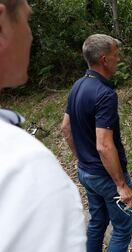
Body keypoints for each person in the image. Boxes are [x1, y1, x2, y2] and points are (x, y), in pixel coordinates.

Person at [0, 1, 86, 251]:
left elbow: (65, 125)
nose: (30, 35)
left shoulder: (77, 87)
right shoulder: (25, 168)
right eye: (27, 21)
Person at [61, 34, 132, 252]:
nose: (118, 59)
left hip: (86, 171)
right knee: (123, 227)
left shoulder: (78, 85)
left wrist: (82, 158)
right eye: (116, 55)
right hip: (105, 176)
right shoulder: (105, 94)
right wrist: (121, 185)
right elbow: (104, 145)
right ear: (104, 59)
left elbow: (66, 127)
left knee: (97, 221)